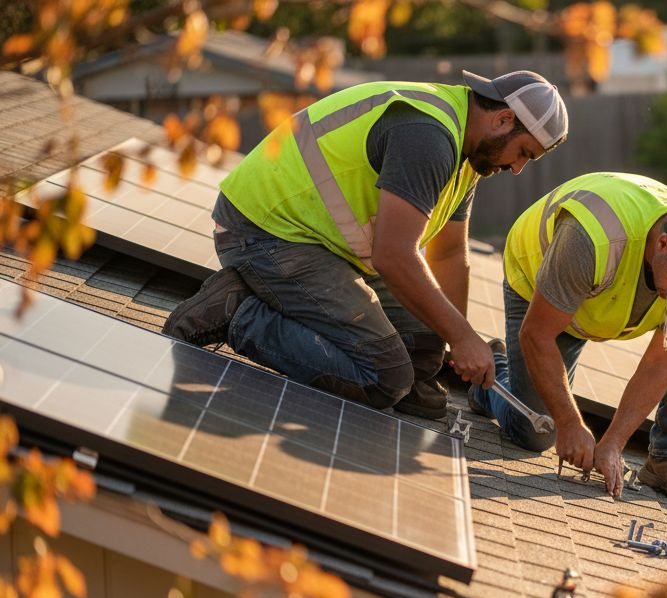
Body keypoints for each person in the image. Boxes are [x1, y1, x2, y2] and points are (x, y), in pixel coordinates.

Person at [164, 71, 569, 419]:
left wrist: (449, 344)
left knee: (423, 356)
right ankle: (239, 311)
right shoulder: (428, 135)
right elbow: (393, 256)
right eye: (523, 154)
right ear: (504, 118)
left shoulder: (468, 154)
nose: (516, 169)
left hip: (325, 248)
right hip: (266, 233)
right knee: (386, 378)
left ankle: (407, 364)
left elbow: (449, 254)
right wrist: (464, 338)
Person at [468, 172, 667, 510]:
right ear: (662, 245)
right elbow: (536, 334)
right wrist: (569, 423)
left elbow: (661, 361)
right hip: (543, 289)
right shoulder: (592, 239)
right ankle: (493, 374)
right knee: (534, 431)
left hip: (598, 293)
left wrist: (613, 442)